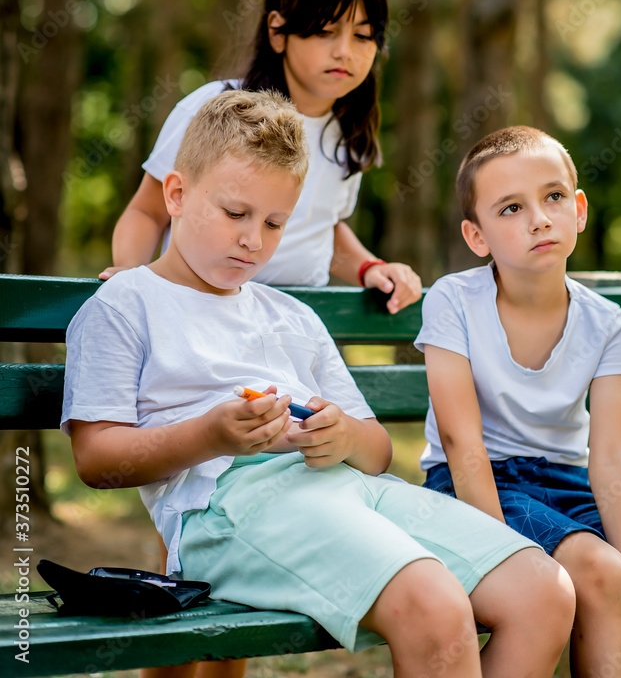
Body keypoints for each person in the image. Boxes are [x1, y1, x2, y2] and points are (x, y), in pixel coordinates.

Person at [64, 91, 575, 678]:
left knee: (544, 592)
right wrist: (211, 435)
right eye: (236, 214)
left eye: (275, 223)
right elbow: (96, 459)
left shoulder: (292, 316)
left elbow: (377, 451)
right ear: (176, 195)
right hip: (229, 508)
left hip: (349, 490)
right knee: (434, 605)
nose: (254, 240)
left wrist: (343, 439)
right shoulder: (127, 303)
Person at [418, 125, 621, 678]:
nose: (538, 218)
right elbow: (462, 446)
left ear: (578, 209)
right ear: (476, 236)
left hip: (569, 486)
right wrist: (501, 558)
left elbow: (611, 461)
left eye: (553, 197)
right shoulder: (454, 301)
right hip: (478, 488)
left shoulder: (607, 324)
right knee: (602, 572)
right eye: (509, 208)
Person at [100, 0, 421, 315]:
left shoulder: (348, 133)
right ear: (278, 32)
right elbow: (148, 211)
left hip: (293, 328)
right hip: (203, 314)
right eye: (324, 31)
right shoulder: (214, 109)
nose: (344, 51)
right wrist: (133, 279)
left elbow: (320, 226)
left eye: (363, 35)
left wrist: (371, 267)